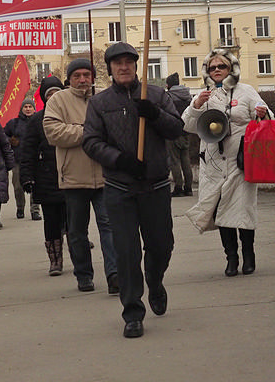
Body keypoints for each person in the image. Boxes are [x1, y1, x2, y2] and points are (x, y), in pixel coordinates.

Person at [82, 43, 183, 339]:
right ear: (110, 69)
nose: (124, 67)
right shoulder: (99, 103)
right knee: (126, 252)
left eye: (129, 62)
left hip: (156, 186)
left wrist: (154, 115)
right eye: (118, 63)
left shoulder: (156, 95)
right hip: (119, 187)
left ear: (137, 65)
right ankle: (132, 312)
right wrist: (120, 160)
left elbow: (177, 129)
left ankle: (155, 278)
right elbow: (91, 142)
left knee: (162, 245)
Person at [182, 49, 271, 278]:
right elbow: (187, 125)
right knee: (221, 211)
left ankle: (248, 255)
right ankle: (231, 257)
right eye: (212, 68)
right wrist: (196, 105)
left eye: (221, 66)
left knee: (243, 209)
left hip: (242, 161)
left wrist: (262, 114)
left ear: (231, 68)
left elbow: (267, 115)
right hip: (213, 164)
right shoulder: (204, 94)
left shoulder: (246, 91)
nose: (217, 71)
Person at [44, 58, 118, 294]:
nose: (83, 79)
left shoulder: (104, 97)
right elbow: (53, 132)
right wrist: (89, 132)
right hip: (74, 177)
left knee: (110, 226)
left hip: (106, 175)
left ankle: (114, 273)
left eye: (87, 74)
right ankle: (84, 274)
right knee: (77, 231)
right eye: (77, 75)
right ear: (70, 78)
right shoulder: (58, 100)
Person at [20, 76, 67, 276]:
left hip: (71, 176)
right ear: (45, 98)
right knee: (51, 220)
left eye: (57, 92)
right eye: (50, 94)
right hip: (46, 178)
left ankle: (81, 259)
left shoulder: (71, 114)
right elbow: (27, 151)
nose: (54, 97)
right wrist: (27, 177)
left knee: (74, 220)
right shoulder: (36, 121)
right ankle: (55, 260)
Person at [3, 98, 42, 220]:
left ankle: (35, 210)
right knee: (18, 186)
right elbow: (3, 135)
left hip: (36, 159)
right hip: (18, 159)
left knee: (35, 184)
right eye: (26, 107)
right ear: (22, 109)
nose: (28, 109)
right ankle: (20, 207)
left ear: (34, 108)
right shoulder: (13, 123)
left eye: (30, 107)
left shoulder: (39, 121)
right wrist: (10, 141)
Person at [165, 73, 194, 197]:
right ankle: (188, 188)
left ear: (169, 85)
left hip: (172, 133)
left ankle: (178, 187)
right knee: (186, 160)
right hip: (186, 131)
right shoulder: (188, 96)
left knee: (174, 161)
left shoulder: (169, 97)